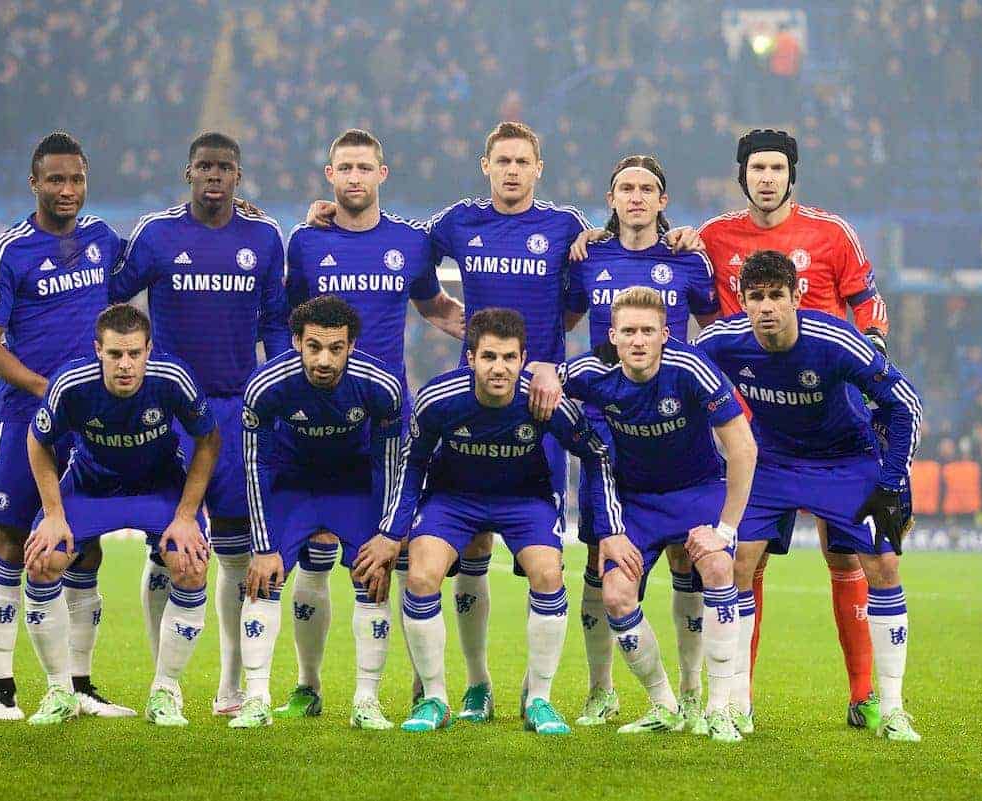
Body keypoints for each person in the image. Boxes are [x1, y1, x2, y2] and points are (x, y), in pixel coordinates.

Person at [307, 122, 582, 721]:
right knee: (472, 550)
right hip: (471, 395)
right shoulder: (455, 223)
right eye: (502, 160)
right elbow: (399, 252)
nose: (512, 170)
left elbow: (594, 282)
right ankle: (475, 685)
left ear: (539, 168)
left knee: (544, 561)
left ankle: (538, 696)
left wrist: (550, 362)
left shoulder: (567, 228)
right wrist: (341, 213)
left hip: (537, 399)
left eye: (522, 161)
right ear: (485, 165)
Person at [696, 129, 894, 730]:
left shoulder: (831, 234)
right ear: (742, 175)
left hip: (832, 418)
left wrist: (870, 361)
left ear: (791, 174)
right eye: (757, 167)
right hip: (755, 424)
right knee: (745, 560)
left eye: (777, 167)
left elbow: (868, 303)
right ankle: (738, 702)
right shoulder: (711, 237)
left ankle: (864, 695)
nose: (767, 177)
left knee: (846, 557)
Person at [693, 251, 923, 742]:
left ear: (797, 297)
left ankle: (893, 705)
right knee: (737, 564)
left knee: (883, 566)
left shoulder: (836, 340)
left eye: (777, 296)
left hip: (845, 461)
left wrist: (893, 483)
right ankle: (735, 704)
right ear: (743, 302)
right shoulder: (719, 342)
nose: (767, 307)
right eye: (756, 298)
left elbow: (904, 403)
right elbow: (680, 378)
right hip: (771, 461)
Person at [279, 129, 462, 719]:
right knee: (312, 551)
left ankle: (413, 687)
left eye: (364, 167)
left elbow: (434, 306)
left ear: (383, 174)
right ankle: (308, 684)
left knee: (395, 555)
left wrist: (490, 335)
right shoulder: (305, 242)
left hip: (387, 422)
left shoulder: (410, 243)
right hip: (317, 416)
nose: (354, 177)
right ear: (329, 176)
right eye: (344, 168)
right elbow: (289, 321)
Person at [374, 308, 623, 735]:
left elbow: (595, 452)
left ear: (524, 359)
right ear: (470, 358)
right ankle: (435, 698)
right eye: (489, 356)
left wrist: (611, 528)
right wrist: (391, 532)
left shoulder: (542, 400)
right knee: (420, 577)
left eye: (509, 357)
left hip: (523, 499)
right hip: (454, 498)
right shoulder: (438, 399)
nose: (499, 367)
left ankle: (539, 700)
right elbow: (411, 465)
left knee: (548, 574)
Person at [109, 131, 290, 718]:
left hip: (236, 411)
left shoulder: (264, 237)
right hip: (168, 414)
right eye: (205, 166)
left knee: (237, 552)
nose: (215, 175)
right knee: (167, 549)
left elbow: (275, 323)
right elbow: (110, 296)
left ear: (239, 177)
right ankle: (167, 679)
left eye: (226, 167)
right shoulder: (157, 234)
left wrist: (282, 389)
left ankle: (232, 686)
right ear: (188, 172)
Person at [0, 131, 131, 721]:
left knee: (85, 546)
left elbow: (162, 258)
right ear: (34, 183)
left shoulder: (103, 241)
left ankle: (81, 686)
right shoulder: (7, 250)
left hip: (90, 422)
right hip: (24, 417)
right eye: (56, 180)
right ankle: (0, 689)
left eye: (77, 180)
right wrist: (47, 389)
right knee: (12, 541)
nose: (67, 191)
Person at [564, 154, 721, 730]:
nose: (635, 196)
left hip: (676, 428)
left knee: (688, 557)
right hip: (608, 428)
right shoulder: (587, 258)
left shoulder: (685, 258)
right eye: (624, 188)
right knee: (597, 558)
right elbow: (565, 320)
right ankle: (601, 689)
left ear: (661, 201)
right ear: (611, 200)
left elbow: (716, 324)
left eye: (646, 188)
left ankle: (689, 692)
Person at [558, 286, 755, 741]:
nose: (639, 340)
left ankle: (718, 705)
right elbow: (541, 378)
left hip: (697, 490)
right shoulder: (592, 373)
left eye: (648, 331)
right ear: (613, 335)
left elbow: (743, 447)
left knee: (719, 566)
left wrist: (725, 530)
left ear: (667, 334)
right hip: (636, 500)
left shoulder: (690, 369)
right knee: (615, 595)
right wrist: (544, 377)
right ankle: (664, 702)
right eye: (628, 331)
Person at [22, 304, 218, 727]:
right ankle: (60, 691)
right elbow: (38, 442)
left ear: (149, 349)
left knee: (189, 565)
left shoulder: (173, 378)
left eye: (134, 354)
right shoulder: (71, 383)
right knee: (43, 561)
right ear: (98, 350)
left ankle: (165, 692)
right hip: (92, 487)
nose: (125, 365)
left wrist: (186, 515)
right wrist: (53, 514)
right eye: (114, 355)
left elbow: (208, 441)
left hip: (157, 488)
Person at [231, 296, 403, 730]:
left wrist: (385, 533)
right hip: (294, 486)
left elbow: (389, 462)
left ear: (352, 347)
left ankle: (367, 700)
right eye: (313, 347)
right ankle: (256, 698)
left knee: (372, 577)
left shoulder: (381, 386)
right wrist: (264, 545)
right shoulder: (266, 386)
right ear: (296, 343)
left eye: (335, 348)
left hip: (353, 486)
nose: (324, 359)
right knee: (263, 577)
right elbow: (255, 465)